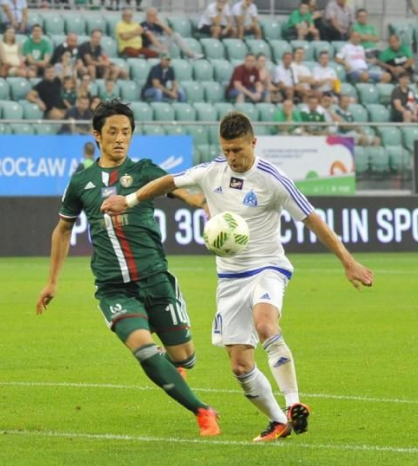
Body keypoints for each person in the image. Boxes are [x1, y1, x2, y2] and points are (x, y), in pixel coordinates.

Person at [101, 111, 374, 442]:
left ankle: (293, 403)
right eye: (227, 150)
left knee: (265, 323)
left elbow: (313, 219)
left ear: (253, 143)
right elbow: (169, 182)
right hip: (230, 279)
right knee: (240, 366)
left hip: (267, 266)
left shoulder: (273, 179)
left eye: (238, 150)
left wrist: (348, 261)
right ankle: (278, 422)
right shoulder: (211, 171)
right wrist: (128, 200)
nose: (232, 157)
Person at [37, 99, 221, 438]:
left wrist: (198, 201)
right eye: (113, 132)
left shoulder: (143, 170)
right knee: (142, 347)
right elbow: (62, 229)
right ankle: (202, 410)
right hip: (114, 288)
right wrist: (51, 282)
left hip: (156, 279)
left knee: (185, 358)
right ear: (97, 136)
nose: (120, 138)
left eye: (126, 132)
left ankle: (173, 364)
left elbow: (171, 185)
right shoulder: (81, 182)